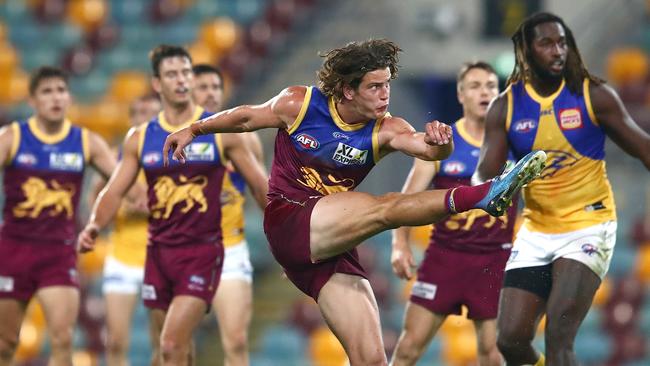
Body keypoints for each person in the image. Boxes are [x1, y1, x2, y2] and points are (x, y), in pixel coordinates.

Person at [163, 39, 546, 365]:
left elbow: (427, 151)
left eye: (388, 85)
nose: (385, 95)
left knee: (372, 358)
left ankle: (485, 195)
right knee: (386, 209)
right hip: (289, 218)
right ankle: (485, 195)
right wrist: (195, 128)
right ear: (348, 90)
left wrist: (442, 141)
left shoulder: (386, 128)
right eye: (375, 86)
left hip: (328, 243)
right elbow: (246, 117)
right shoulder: (300, 103)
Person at [473, 12, 650, 366]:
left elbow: (645, 149)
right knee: (510, 341)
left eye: (563, 43)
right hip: (538, 230)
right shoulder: (505, 108)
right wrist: (501, 185)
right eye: (547, 44)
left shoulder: (593, 95)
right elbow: (485, 178)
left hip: (589, 226)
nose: (558, 51)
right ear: (526, 50)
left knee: (558, 336)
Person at [77, 45, 268, 366]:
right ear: (157, 84)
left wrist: (286, 237)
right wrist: (95, 225)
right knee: (173, 352)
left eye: (185, 73)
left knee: (170, 344)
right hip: (159, 255)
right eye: (171, 74)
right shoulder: (139, 137)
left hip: (203, 252)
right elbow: (114, 189)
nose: (180, 80)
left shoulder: (219, 130)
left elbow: (260, 186)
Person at [390, 61, 513, 366]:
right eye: (474, 86)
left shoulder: (515, 144)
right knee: (408, 348)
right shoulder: (442, 144)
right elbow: (407, 200)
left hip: (494, 260)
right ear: (460, 94)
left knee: (493, 352)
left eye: (490, 86)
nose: (484, 92)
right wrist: (400, 244)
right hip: (445, 257)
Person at [0, 66, 117, 365]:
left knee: (63, 339)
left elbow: (122, 179)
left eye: (61, 91)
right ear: (33, 101)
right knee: (5, 342)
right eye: (47, 92)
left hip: (58, 252)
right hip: (14, 249)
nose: (56, 98)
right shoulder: (12, 138)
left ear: (69, 97)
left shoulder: (86, 142)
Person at [192, 64, 264, 366]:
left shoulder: (243, 138)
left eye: (215, 87)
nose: (210, 93)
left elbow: (261, 191)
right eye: (203, 87)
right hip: (185, 249)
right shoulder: (174, 137)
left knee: (236, 341)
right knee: (177, 345)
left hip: (229, 249)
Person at [95, 94, 160, 366]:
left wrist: (151, 207)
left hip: (159, 258)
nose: (144, 119)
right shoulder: (113, 161)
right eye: (139, 113)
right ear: (131, 120)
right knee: (116, 341)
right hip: (121, 257)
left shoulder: (170, 157)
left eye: (151, 114)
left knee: (163, 342)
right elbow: (97, 214)